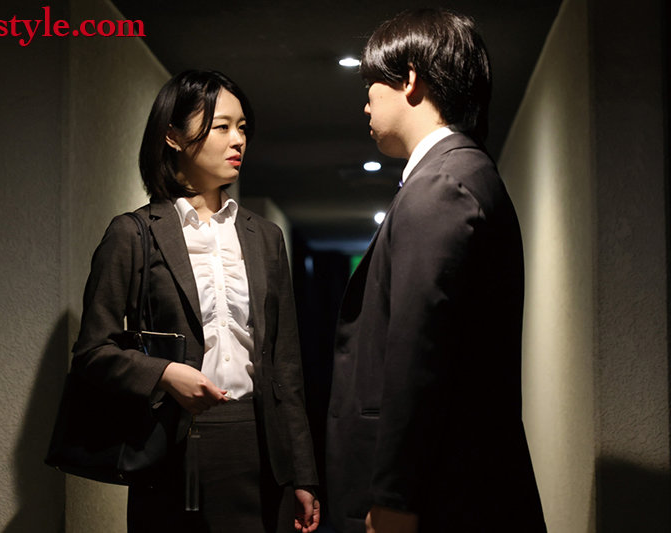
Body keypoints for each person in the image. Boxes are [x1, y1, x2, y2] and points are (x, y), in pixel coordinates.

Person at [326, 9, 545, 533]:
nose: (366, 104)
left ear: (410, 79)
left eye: (371, 86)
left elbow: (419, 349)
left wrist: (396, 495)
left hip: (440, 495)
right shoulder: (463, 173)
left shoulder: (441, 185)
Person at [72, 70, 320, 532]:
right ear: (172, 135)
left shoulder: (265, 237)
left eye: (242, 127)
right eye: (221, 126)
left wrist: (303, 474)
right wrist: (164, 373)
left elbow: (285, 368)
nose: (238, 140)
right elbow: (92, 351)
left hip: (261, 445)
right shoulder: (134, 233)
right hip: (174, 446)